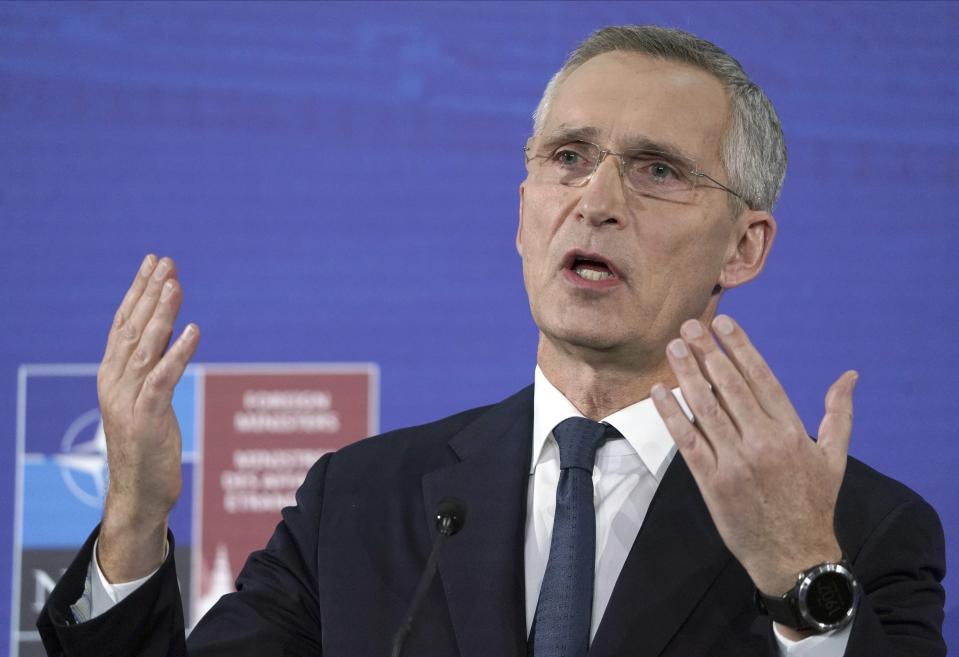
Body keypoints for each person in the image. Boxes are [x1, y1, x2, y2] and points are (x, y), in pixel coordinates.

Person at [38, 25, 945, 657]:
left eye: (656, 170)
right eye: (566, 157)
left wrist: (800, 577)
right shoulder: (359, 502)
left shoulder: (860, 529)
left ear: (743, 247)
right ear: (523, 215)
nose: (595, 200)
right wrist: (132, 519)